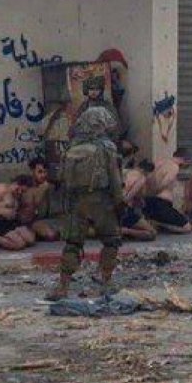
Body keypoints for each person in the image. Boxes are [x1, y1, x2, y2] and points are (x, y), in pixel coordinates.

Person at [47, 106, 125, 301]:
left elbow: (61, 178)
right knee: (111, 239)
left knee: (73, 243)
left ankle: (63, 286)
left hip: (75, 202)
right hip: (101, 201)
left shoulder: (72, 148)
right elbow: (115, 179)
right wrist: (120, 202)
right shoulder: (107, 148)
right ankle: (106, 282)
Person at [143, 147, 192, 234]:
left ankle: (155, 222)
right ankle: (159, 224)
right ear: (184, 159)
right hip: (161, 204)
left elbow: (146, 178)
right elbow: (164, 182)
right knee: (187, 227)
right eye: (187, 163)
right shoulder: (174, 167)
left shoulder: (159, 162)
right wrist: (156, 190)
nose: (185, 166)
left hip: (148, 201)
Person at [0, 177, 35, 251]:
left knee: (31, 239)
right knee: (19, 244)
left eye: (22, 191)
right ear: (15, 183)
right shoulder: (1, 190)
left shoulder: (17, 195)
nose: (20, 192)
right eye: (18, 189)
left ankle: (3, 239)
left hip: (11, 223)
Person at [18, 157, 60, 241]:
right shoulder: (27, 187)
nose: (43, 175)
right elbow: (31, 211)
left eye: (45, 172)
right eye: (40, 172)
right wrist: (43, 189)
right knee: (50, 235)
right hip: (30, 222)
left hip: (47, 220)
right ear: (32, 171)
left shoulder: (48, 186)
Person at [120, 159, 158, 241]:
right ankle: (123, 231)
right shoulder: (141, 178)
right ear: (147, 172)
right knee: (152, 233)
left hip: (109, 208)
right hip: (124, 210)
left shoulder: (123, 172)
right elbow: (128, 197)